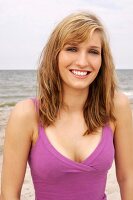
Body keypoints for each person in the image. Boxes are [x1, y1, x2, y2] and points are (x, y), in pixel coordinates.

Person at [1, 11, 133, 200]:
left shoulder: (116, 106)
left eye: (93, 52)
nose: (82, 61)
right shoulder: (26, 114)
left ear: (102, 60)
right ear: (55, 55)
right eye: (72, 49)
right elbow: (8, 194)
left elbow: (128, 178)